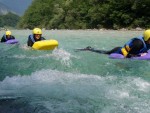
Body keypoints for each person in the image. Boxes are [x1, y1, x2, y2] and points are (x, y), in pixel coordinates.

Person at [76, 29, 150, 58]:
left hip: (128, 51)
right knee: (104, 52)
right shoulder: (138, 43)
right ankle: (90, 49)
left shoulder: (147, 42)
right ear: (147, 38)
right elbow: (124, 50)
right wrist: (133, 56)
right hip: (119, 51)